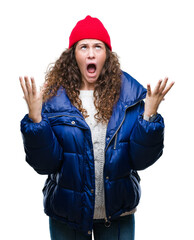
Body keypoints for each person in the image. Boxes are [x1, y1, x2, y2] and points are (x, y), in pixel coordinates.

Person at [20, 15, 174, 240]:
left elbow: (140, 161)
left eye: (97, 47)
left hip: (118, 214)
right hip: (67, 214)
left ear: (107, 55)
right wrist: (36, 121)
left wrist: (148, 118)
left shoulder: (130, 101)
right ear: (73, 56)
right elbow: (45, 165)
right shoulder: (52, 102)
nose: (90, 53)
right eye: (83, 47)